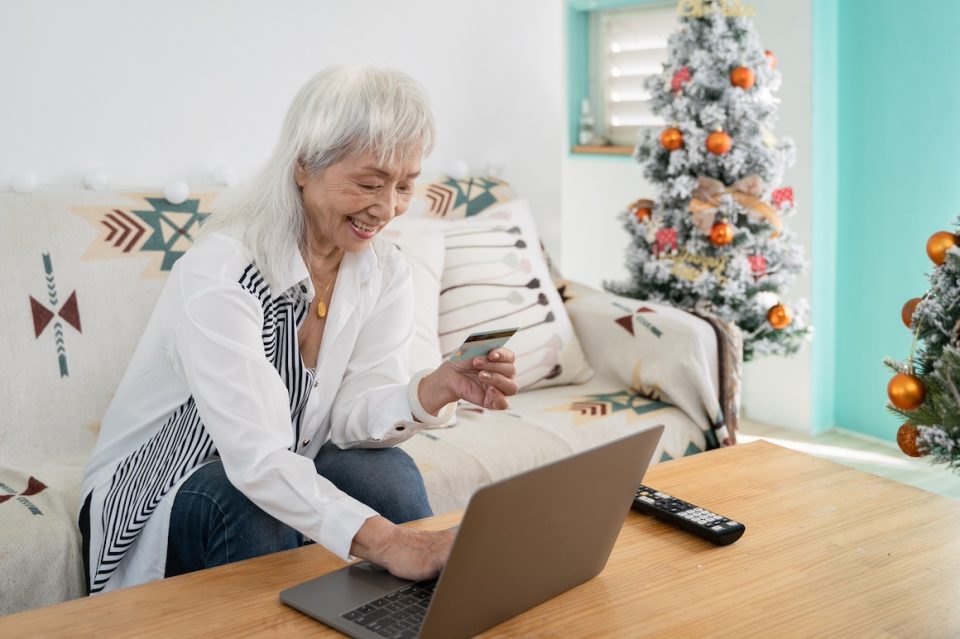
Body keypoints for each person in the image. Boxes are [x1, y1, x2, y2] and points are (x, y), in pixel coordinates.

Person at [77, 65, 518, 594]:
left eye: (404, 186)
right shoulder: (222, 272)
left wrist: (433, 389)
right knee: (251, 505)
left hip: (283, 463)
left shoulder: (383, 270)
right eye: (368, 184)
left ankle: (421, 617)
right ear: (304, 165)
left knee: (389, 475)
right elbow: (258, 460)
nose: (386, 208)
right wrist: (390, 542)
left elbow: (352, 416)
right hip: (162, 482)